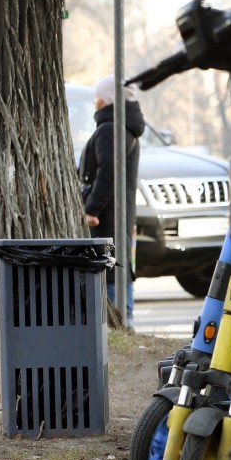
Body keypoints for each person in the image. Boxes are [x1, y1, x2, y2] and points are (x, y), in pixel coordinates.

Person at [78, 75, 145, 324]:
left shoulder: (109, 129)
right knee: (119, 263)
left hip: (106, 213)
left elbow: (108, 173)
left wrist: (92, 209)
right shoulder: (124, 128)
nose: (95, 101)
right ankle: (124, 318)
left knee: (108, 267)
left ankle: (118, 320)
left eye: (98, 96)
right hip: (120, 209)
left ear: (107, 100)